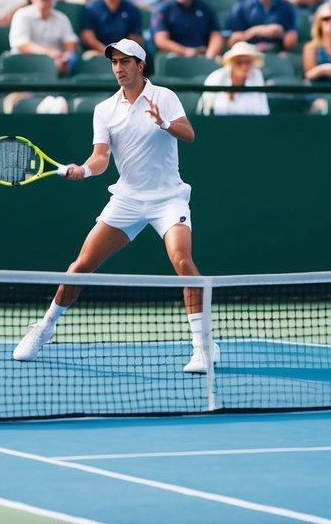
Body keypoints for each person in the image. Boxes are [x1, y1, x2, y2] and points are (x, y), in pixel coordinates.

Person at [11, 37, 215, 374]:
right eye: (114, 62)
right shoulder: (103, 109)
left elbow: (189, 134)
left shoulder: (164, 97)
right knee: (81, 266)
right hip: (127, 199)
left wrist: (163, 123)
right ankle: (44, 327)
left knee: (182, 259)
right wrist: (84, 169)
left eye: (125, 62)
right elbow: (101, 157)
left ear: (140, 65)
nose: (118, 68)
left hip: (168, 198)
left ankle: (202, 347)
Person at [9, 0, 80, 75]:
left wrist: (65, 58)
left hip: (53, 68)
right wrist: (50, 53)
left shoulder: (61, 18)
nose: (47, 2)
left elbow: (70, 44)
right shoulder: (22, 15)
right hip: (24, 67)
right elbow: (22, 44)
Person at [153, 0, 225, 59]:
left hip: (202, 57)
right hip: (174, 58)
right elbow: (161, 40)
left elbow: (216, 36)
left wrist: (209, 57)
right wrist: (185, 51)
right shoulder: (163, 9)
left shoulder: (206, 9)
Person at [80, 0, 144, 61]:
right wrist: (107, 52)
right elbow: (87, 36)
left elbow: (135, 38)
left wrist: (119, 54)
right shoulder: (92, 8)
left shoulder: (132, 10)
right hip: (98, 54)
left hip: (125, 56)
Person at [199, 40, 269, 116]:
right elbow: (207, 111)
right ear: (232, 63)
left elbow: (262, 109)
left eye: (247, 62)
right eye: (239, 62)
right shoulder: (216, 78)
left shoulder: (257, 75)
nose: (244, 66)